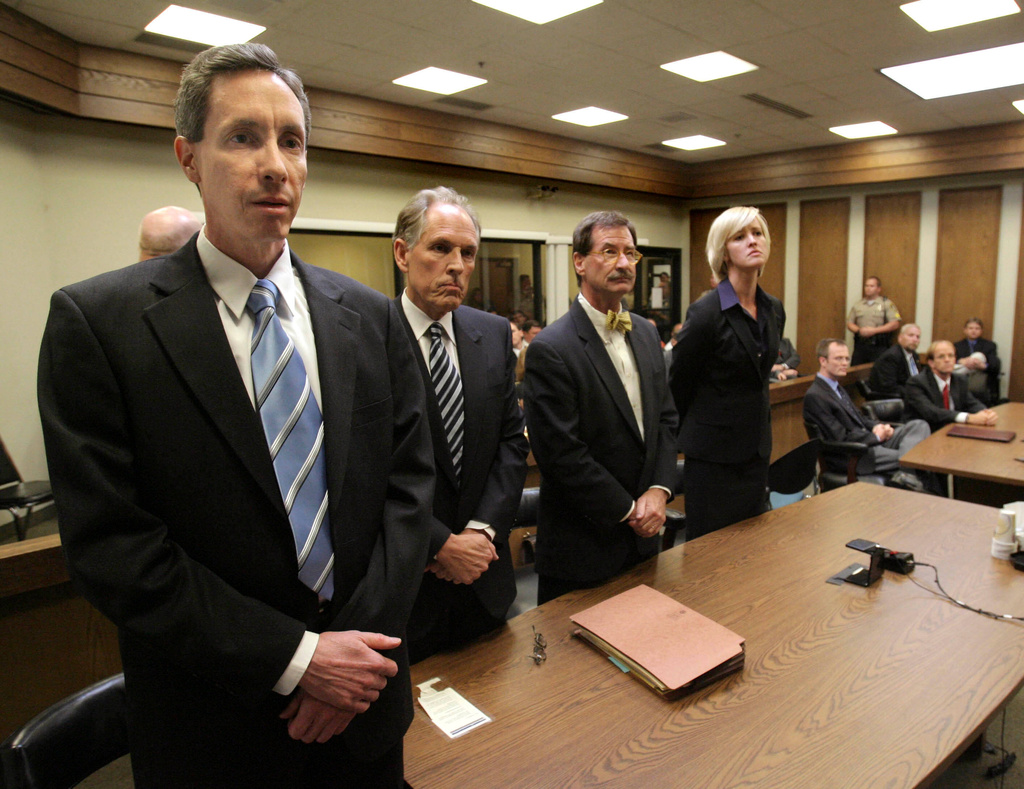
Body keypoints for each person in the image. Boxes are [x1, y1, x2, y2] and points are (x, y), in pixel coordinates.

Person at [37, 43, 434, 788]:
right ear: (188, 157)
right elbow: (113, 549)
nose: (276, 164)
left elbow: (409, 493)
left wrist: (354, 659)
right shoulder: (100, 326)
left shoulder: (372, 319)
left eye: (292, 140)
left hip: (367, 720)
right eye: (244, 137)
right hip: (216, 732)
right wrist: (299, 660)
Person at [392, 187, 528, 663]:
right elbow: (362, 467)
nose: (457, 265)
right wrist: (441, 544)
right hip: (407, 589)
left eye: (467, 253)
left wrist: (482, 532)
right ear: (402, 253)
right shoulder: (367, 335)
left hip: (485, 579)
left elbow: (511, 442)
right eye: (441, 248)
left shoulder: (490, 334)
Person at [523, 211, 677, 605]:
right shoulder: (552, 347)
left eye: (630, 253)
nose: (623, 263)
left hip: (644, 541)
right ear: (579, 261)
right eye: (609, 251)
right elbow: (561, 454)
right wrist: (630, 512)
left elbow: (665, 419)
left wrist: (659, 493)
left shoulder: (645, 331)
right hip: (583, 548)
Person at [670, 205, 784, 540]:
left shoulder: (773, 308)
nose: (752, 241)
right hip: (712, 457)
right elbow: (679, 385)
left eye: (758, 233)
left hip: (756, 450)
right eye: (740, 236)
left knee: (751, 547)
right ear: (724, 252)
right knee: (712, 552)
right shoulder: (706, 312)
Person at [804, 339, 933, 487]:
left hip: (868, 441)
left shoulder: (836, 387)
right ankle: (908, 476)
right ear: (823, 361)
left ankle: (906, 475)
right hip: (854, 454)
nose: (844, 363)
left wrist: (878, 427)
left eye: (847, 358)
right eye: (838, 358)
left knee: (919, 425)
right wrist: (876, 437)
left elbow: (859, 418)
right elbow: (839, 437)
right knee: (914, 459)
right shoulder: (816, 395)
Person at [904, 340, 998, 432]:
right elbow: (932, 412)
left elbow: (971, 403)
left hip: (954, 431)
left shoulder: (959, 379)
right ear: (931, 363)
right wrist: (968, 418)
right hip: (926, 433)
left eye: (951, 356)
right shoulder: (916, 383)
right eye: (941, 357)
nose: (947, 360)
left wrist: (986, 413)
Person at [847, 276, 901, 365]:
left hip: (879, 345)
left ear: (879, 289)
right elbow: (849, 323)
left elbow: (895, 323)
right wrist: (859, 330)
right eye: (866, 286)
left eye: (872, 286)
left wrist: (874, 331)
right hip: (861, 345)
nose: (868, 288)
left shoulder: (886, 304)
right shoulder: (858, 305)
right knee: (855, 372)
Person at [954, 317, 1001, 406]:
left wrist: (982, 365)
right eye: (970, 328)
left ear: (981, 331)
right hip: (962, 378)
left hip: (980, 379)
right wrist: (961, 361)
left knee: (979, 356)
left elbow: (995, 365)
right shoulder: (956, 346)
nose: (973, 331)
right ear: (965, 330)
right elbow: (952, 362)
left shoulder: (989, 345)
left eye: (977, 328)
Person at [868, 323, 922, 398]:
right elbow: (888, 387)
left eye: (918, 337)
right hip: (894, 399)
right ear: (900, 338)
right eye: (911, 335)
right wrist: (914, 393)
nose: (915, 339)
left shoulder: (914, 356)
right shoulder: (891, 357)